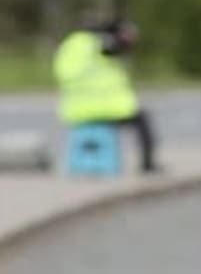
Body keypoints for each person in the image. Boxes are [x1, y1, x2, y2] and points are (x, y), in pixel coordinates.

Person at [52, 17, 160, 173]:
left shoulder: (69, 45)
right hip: (105, 108)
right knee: (142, 120)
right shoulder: (99, 42)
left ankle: (79, 164)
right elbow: (115, 49)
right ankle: (147, 164)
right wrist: (126, 39)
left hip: (74, 110)